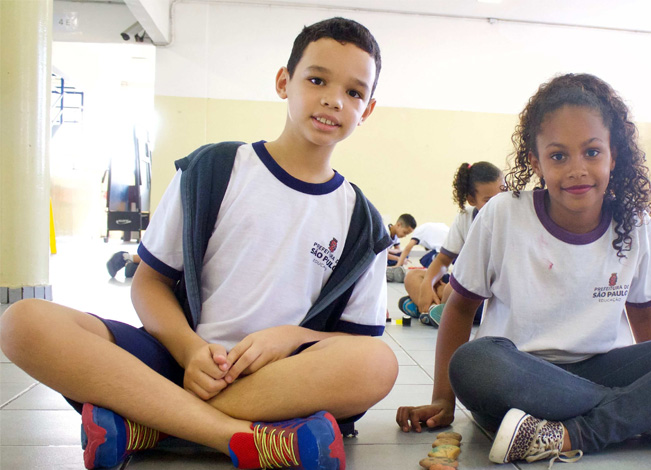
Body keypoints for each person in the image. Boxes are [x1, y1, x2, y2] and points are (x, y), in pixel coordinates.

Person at [1, 17, 399, 470]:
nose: (333, 99)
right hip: (178, 361)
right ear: (284, 82)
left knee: (378, 363)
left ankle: (150, 424)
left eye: (354, 92)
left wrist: (291, 337)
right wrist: (189, 350)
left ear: (366, 110)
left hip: (278, 384)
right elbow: (148, 282)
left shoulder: (363, 221)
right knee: (22, 322)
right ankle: (249, 440)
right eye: (316, 79)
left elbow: (352, 341)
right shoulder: (214, 169)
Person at [395, 73, 651, 467]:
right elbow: (460, 309)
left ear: (613, 155)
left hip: (602, 371)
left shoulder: (634, 222)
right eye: (558, 156)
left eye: (592, 152)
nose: (577, 169)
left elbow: (644, 318)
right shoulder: (503, 214)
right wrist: (442, 400)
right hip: (517, 378)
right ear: (535, 161)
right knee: (473, 362)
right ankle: (650, 416)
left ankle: (577, 432)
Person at [398, 161, 504, 325]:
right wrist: (427, 284)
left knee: (450, 290)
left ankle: (429, 308)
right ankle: (434, 310)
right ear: (471, 199)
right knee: (413, 277)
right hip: (464, 287)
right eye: (488, 200)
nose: (497, 205)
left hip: (490, 295)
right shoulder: (465, 217)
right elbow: (442, 260)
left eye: (503, 195)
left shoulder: (508, 219)